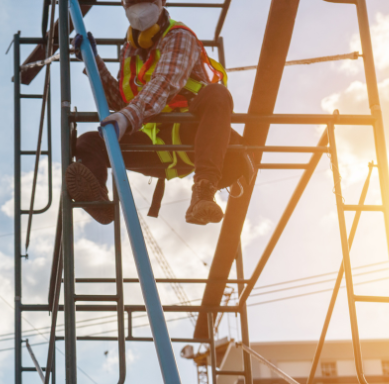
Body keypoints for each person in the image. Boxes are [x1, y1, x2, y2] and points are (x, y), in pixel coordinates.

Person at [66, 0, 254, 226]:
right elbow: (121, 101)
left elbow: (165, 82)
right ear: (124, 5)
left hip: (194, 135)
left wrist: (127, 118)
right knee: (89, 143)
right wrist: (93, 63)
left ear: (162, 2)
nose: (140, 6)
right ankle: (100, 204)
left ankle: (204, 191)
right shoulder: (129, 51)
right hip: (156, 145)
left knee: (217, 94)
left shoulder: (179, 36)